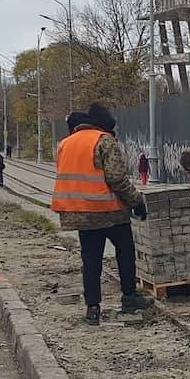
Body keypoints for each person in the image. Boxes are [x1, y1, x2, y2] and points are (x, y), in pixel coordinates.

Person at [52, 103, 153, 326]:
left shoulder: (65, 144)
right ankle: (129, 297)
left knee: (91, 260)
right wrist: (137, 201)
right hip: (109, 211)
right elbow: (116, 178)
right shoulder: (104, 141)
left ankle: (93, 308)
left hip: (80, 212)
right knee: (125, 251)